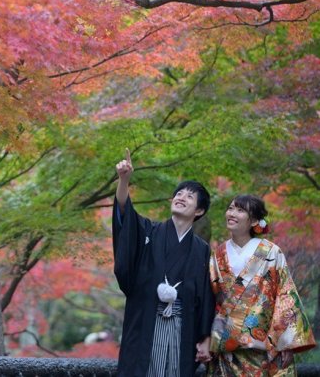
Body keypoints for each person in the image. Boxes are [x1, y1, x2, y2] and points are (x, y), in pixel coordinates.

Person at [113, 148, 215, 376]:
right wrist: (124, 180)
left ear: (199, 210)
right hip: (146, 321)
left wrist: (205, 338)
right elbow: (124, 214)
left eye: (189, 196)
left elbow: (206, 297)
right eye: (179, 193)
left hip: (182, 327)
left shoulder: (202, 249)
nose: (181, 197)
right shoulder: (149, 231)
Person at [208, 194, 316, 376]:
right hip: (226, 346)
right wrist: (206, 337)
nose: (232, 213)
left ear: (255, 221)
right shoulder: (217, 254)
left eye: (240, 210)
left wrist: (285, 342)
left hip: (262, 345)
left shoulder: (271, 252)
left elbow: (285, 295)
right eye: (231, 208)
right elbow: (210, 298)